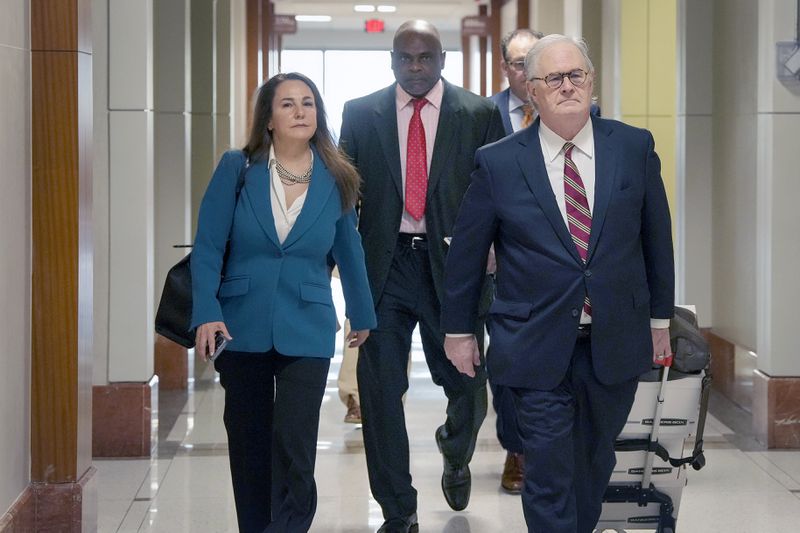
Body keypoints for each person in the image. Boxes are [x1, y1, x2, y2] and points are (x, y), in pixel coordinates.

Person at [441, 34, 675, 533]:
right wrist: (458, 330)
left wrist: (660, 318)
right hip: (533, 341)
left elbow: (657, 240)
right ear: (530, 89)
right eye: (553, 79)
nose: (567, 87)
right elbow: (465, 254)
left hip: (612, 339)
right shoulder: (498, 161)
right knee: (547, 471)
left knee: (593, 466)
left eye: (576, 76)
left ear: (590, 82)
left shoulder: (633, 147)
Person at [190, 72, 377, 533]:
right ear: (268, 119)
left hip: (308, 324)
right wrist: (206, 312)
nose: (300, 112)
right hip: (240, 323)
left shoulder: (337, 177)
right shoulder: (237, 168)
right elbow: (209, 245)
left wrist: (363, 311)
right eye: (288, 104)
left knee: (296, 441)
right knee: (250, 441)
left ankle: (290, 525)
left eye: (308, 103)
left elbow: (349, 250)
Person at [340, 19, 505, 533]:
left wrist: (498, 252)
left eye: (426, 58)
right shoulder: (361, 114)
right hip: (384, 269)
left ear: (442, 61)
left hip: (453, 269)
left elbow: (500, 192)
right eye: (406, 58)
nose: (416, 68)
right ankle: (398, 509)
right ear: (391, 60)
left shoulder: (477, 114)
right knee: (380, 392)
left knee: (467, 382)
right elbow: (347, 200)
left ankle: (456, 450)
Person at [488, 27, 543, 494]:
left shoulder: (577, 114)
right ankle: (517, 448)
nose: (524, 71)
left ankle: (547, 446)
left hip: (555, 267)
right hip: (498, 264)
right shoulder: (483, 114)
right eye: (517, 63)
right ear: (505, 67)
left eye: (533, 61)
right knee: (506, 360)